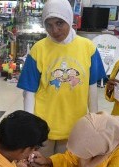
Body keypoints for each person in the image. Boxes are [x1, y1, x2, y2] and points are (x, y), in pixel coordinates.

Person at [17, 0, 106, 157]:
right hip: (42, 126)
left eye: (60, 23)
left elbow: (92, 88)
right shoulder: (38, 49)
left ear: (69, 20)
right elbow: (29, 92)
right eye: (49, 25)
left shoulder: (88, 48)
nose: (55, 30)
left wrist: (94, 122)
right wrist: (29, 127)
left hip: (74, 126)